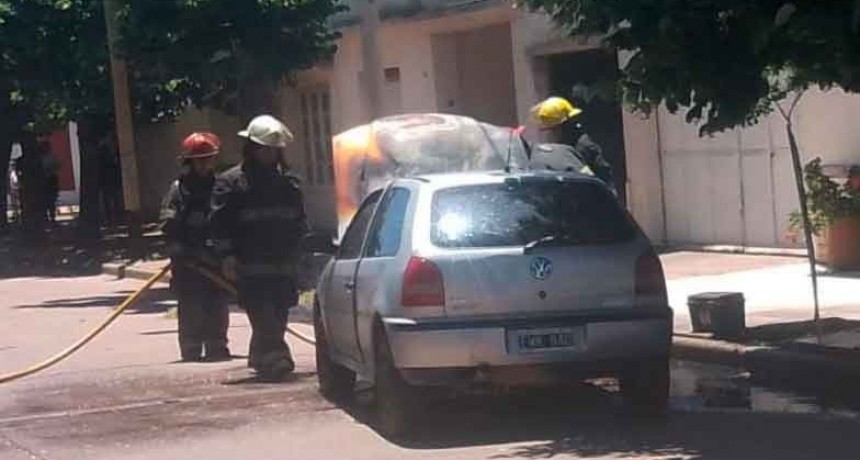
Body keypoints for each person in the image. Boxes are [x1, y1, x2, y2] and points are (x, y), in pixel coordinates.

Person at [210, 115, 307, 379]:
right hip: (250, 265)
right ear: (252, 148)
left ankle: (260, 357)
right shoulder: (231, 183)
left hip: (283, 264)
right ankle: (278, 357)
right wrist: (227, 256)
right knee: (263, 315)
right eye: (265, 148)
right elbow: (219, 224)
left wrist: (300, 256)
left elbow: (299, 222)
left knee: (279, 314)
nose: (270, 154)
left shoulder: (289, 183)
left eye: (275, 149)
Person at [160, 132, 231, 362]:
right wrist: (180, 251)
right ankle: (191, 349)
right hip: (188, 264)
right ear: (189, 162)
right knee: (191, 306)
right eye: (200, 160)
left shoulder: (221, 187)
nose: (205, 164)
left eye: (208, 159)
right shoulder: (178, 190)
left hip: (215, 261)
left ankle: (217, 346)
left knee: (217, 304)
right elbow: (168, 224)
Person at [529, 96, 616, 192]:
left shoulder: (582, 147)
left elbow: (597, 180)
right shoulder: (563, 148)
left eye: (549, 131)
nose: (547, 136)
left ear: (559, 128)